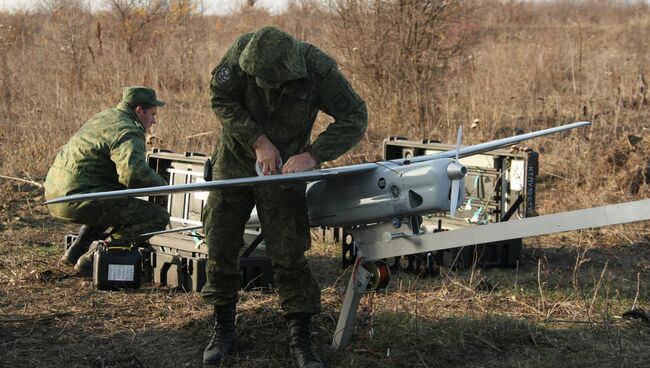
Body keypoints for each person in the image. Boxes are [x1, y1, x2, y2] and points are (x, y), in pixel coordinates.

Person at [202, 26, 368, 368]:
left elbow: (354, 117)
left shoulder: (317, 70)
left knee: (289, 251)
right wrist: (258, 140)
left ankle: (300, 334)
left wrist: (314, 155)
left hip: (285, 172)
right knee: (220, 242)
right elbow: (221, 97)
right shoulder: (240, 54)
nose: (263, 87)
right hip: (234, 161)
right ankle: (223, 325)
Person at [44, 86, 170, 276]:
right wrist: (164, 187)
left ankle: (75, 252)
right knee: (158, 216)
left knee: (112, 198)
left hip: (55, 193)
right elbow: (133, 175)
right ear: (139, 111)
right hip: (78, 198)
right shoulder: (129, 131)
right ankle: (92, 259)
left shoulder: (105, 117)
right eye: (152, 114)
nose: (154, 120)